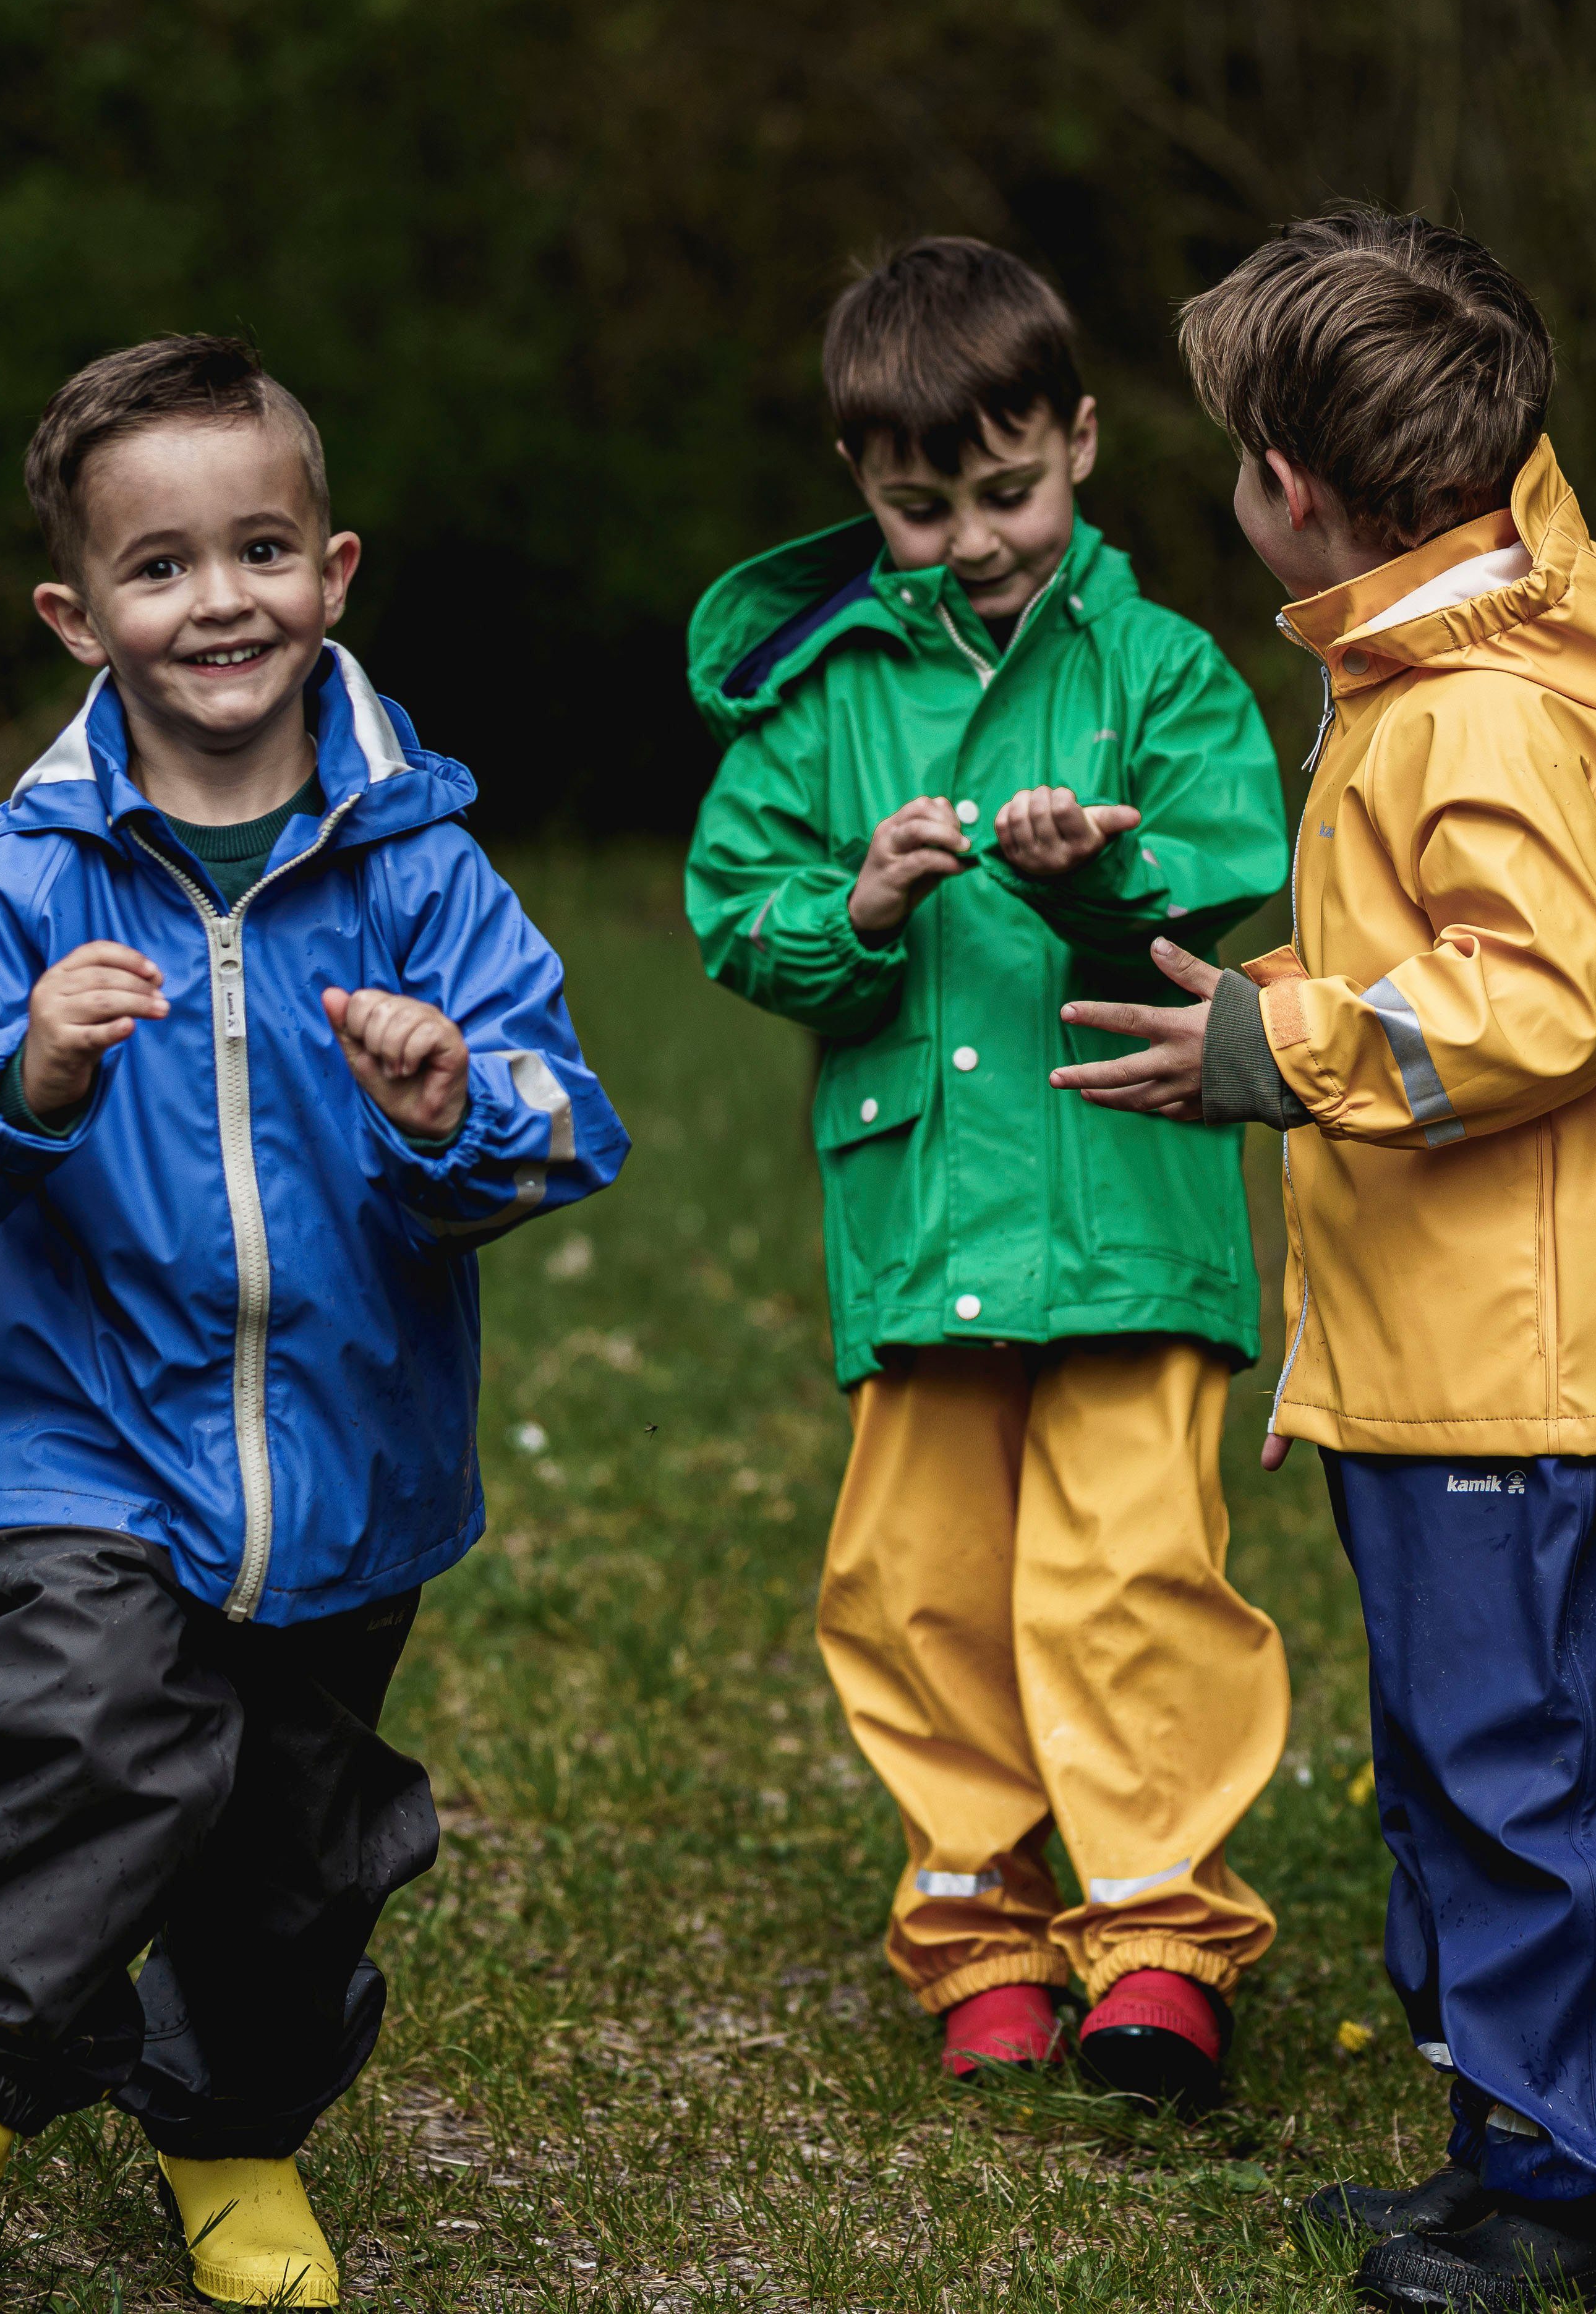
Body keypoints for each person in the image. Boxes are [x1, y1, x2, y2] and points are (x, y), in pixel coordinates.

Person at [0, 334, 626, 2305]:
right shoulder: (30, 875)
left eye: (257, 549)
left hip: (350, 1447)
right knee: (94, 1727)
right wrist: (27, 1074)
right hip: (84, 1423)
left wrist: (450, 1107)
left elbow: (559, 1114)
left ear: (333, 570)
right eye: (158, 567)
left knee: (291, 1845)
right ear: (77, 615)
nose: (217, 600)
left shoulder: (419, 860)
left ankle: (234, 2129)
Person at [1058, 210, 1596, 2310]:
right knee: (1560, 1752)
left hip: (1510, 1366)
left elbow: (1536, 999)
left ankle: (1587, 2166)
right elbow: (1446, 974)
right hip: (1522, 1352)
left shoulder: (1475, 711)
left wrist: (1277, 1042)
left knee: (1522, 1755)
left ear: (1296, 489)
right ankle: (1560, 2138)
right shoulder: (1466, 665)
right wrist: (1276, 1005)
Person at [682, 237, 1295, 2108]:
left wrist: (1094, 868)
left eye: (1005, 491)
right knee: (920, 1574)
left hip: (1128, 1194)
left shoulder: (1161, 665)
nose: (968, 539)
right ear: (860, 490)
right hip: (926, 1213)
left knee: (1132, 1569)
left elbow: (1232, 857)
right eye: (915, 506)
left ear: (1085, 443)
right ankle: (975, 1921)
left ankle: (1154, 1928)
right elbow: (734, 901)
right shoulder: (815, 698)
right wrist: (847, 905)